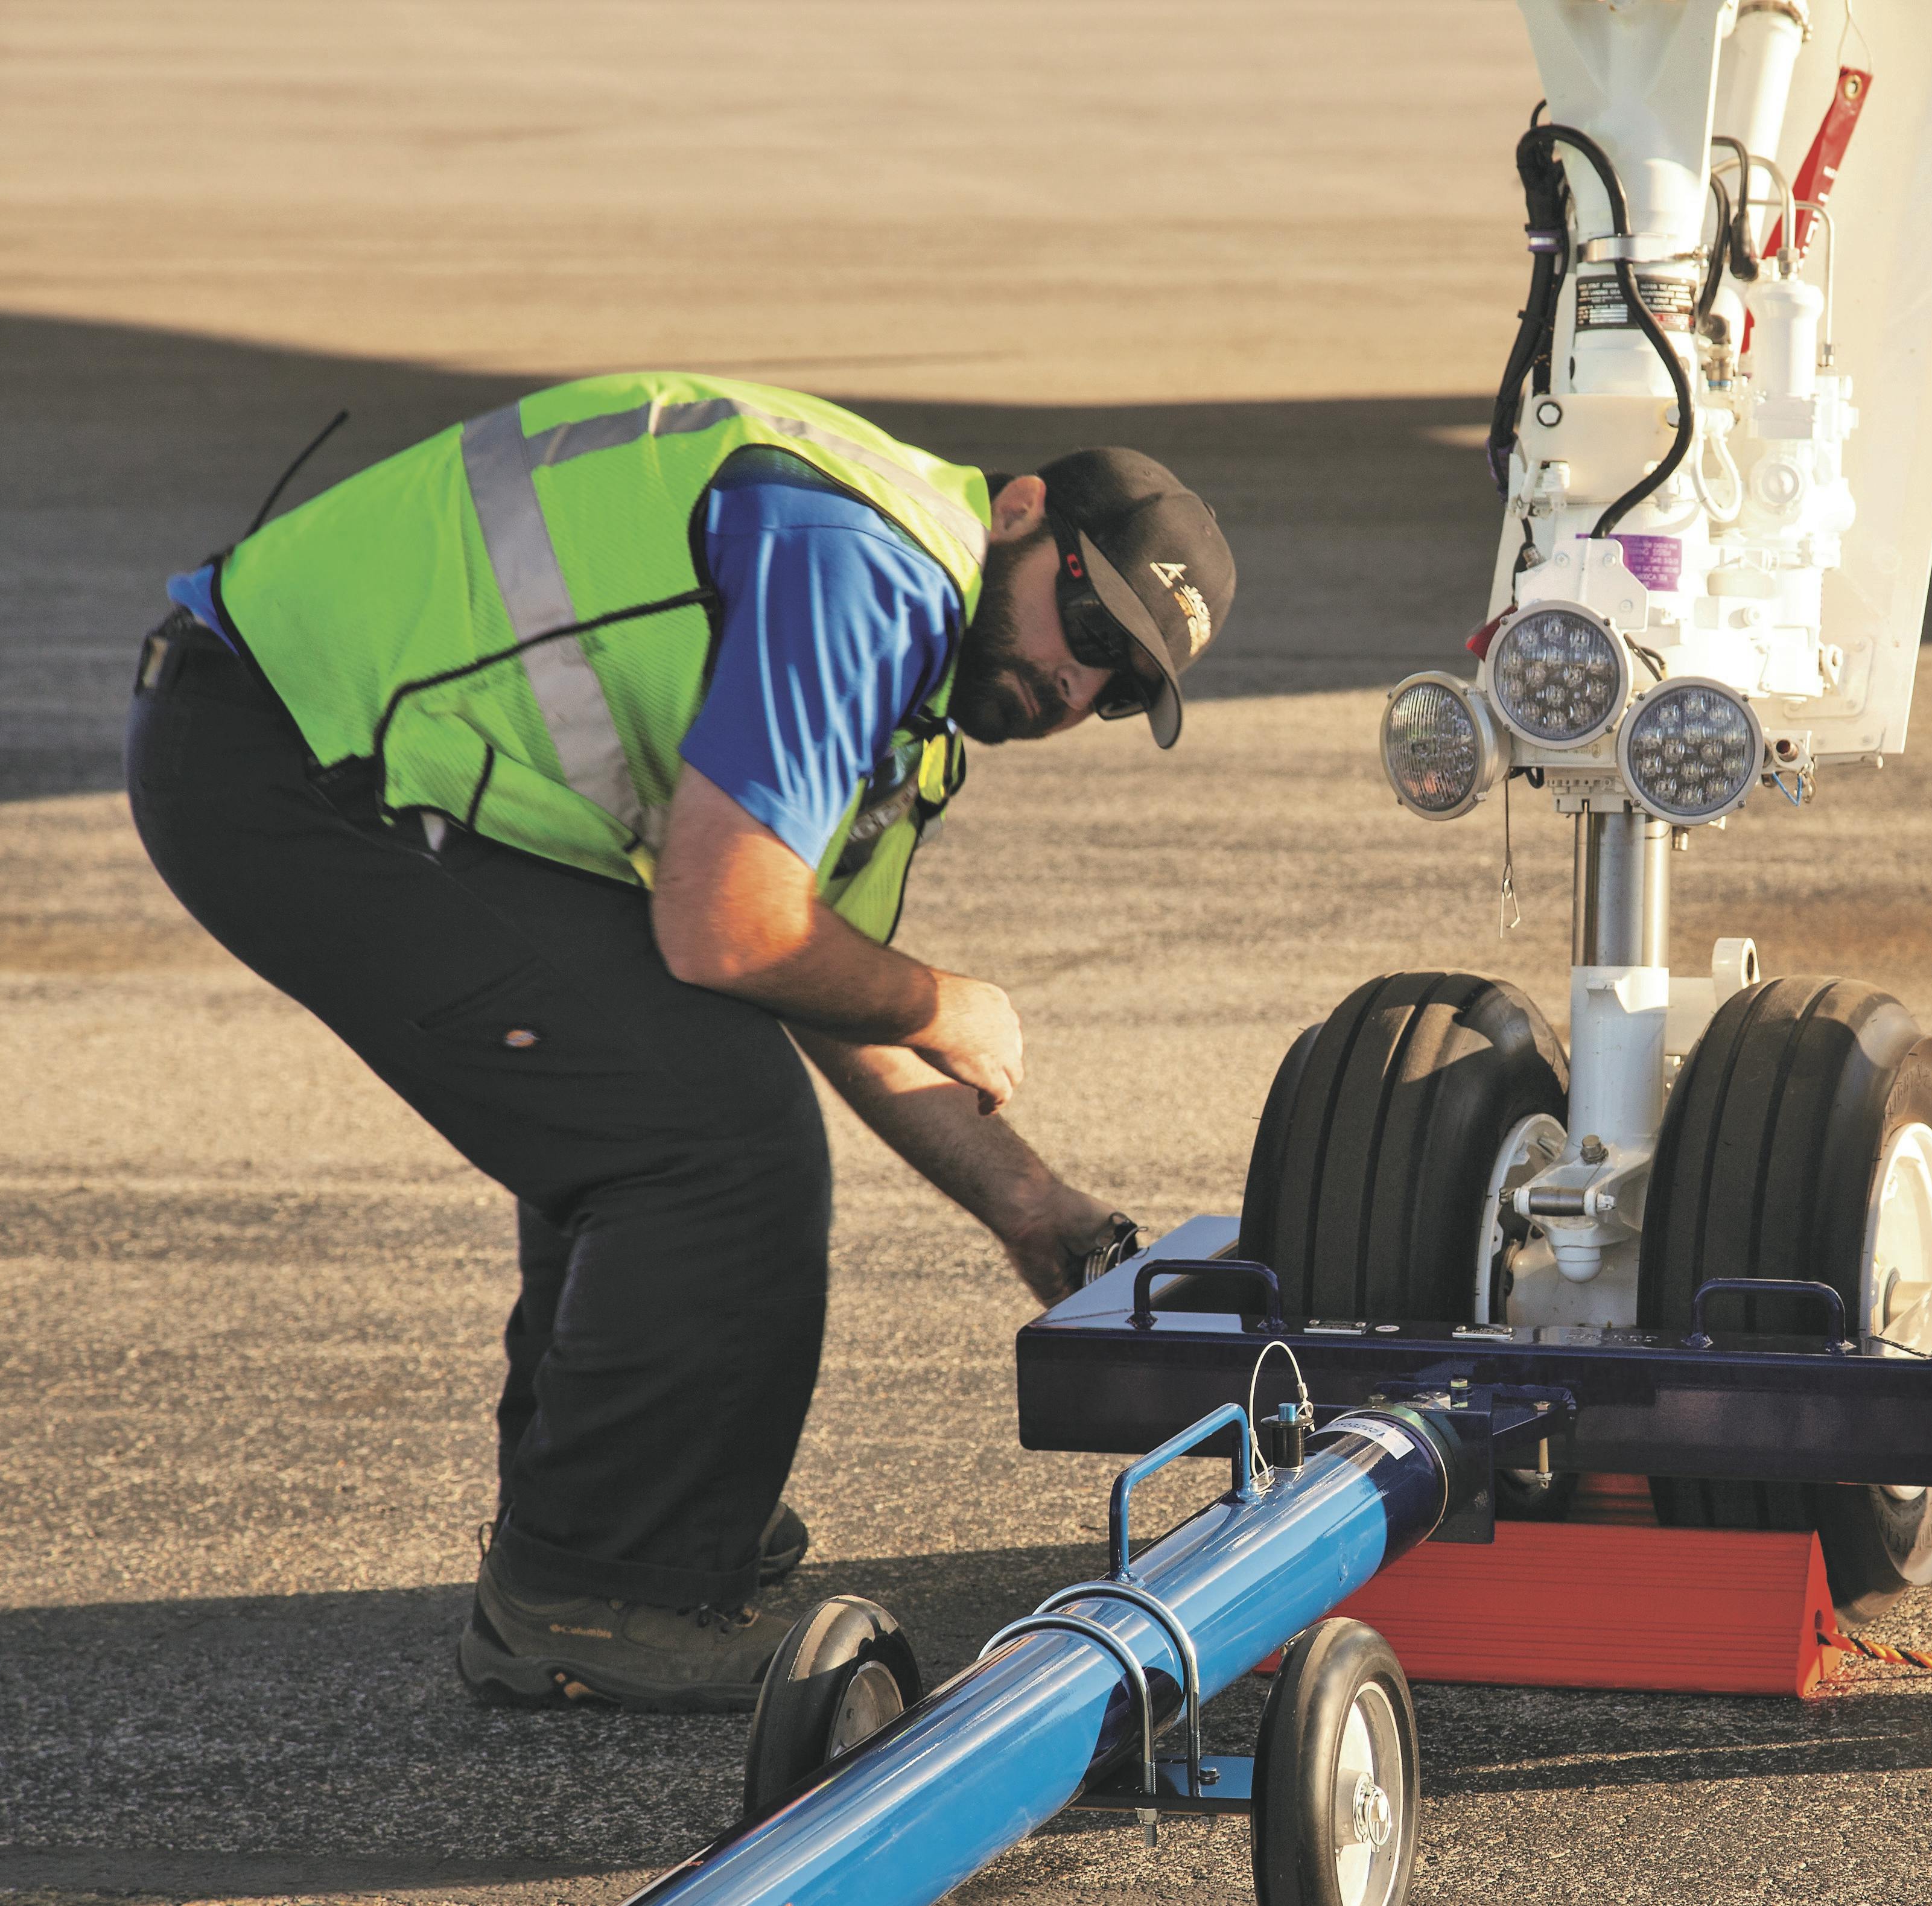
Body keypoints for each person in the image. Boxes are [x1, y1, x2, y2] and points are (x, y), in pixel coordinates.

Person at [123, 373, 1235, 1711]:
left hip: (364, 757)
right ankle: (600, 1586)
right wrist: (945, 998)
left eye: (1118, 685)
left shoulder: (912, 688)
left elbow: (807, 977)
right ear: (1020, 512)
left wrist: (1029, 1203)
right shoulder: (867, 570)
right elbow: (738, 936)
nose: (1074, 677)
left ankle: (624, 1507)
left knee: (671, 1083)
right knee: (710, 1135)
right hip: (283, 747)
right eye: (1087, 619)